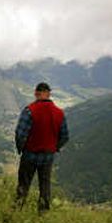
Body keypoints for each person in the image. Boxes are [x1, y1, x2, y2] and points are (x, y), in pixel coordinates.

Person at [15, 82, 69, 214]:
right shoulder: (59, 113)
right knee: (45, 186)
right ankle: (43, 214)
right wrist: (54, 147)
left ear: (36, 93)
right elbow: (65, 136)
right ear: (49, 94)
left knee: (24, 185)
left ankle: (17, 212)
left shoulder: (29, 110)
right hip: (48, 155)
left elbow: (20, 133)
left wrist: (20, 149)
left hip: (30, 154)